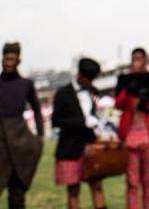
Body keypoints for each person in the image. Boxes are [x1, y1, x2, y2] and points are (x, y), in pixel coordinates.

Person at [0, 42, 44, 209]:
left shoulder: (26, 84)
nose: (8, 62)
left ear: (19, 60)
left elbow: (37, 111)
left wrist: (39, 138)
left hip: (21, 146)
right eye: (5, 59)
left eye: (12, 59)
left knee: (17, 198)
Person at [114, 48, 149, 209]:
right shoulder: (125, 81)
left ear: (144, 60)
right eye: (133, 58)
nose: (135, 62)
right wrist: (127, 90)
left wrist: (146, 102)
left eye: (138, 59)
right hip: (129, 137)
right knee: (132, 181)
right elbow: (118, 104)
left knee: (147, 180)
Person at [52, 58, 106, 209]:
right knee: (73, 190)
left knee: (97, 186)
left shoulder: (93, 92)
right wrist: (82, 122)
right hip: (70, 147)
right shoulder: (63, 93)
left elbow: (95, 114)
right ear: (80, 76)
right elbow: (56, 121)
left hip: (91, 147)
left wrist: (97, 122)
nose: (91, 82)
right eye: (89, 79)